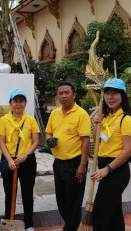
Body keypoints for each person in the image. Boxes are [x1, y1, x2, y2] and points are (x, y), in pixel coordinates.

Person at [91, 78, 131, 231]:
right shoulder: (106, 117)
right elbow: (96, 139)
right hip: (104, 166)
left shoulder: (127, 120)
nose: (110, 97)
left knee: (101, 212)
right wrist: (96, 123)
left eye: (115, 94)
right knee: (114, 213)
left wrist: (108, 169)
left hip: (116, 171)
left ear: (122, 96)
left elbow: (128, 151)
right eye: (107, 94)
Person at [45, 81, 91, 231]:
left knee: (74, 200)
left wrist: (82, 165)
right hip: (58, 163)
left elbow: (85, 140)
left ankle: (70, 228)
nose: (63, 96)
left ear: (74, 95)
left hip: (75, 163)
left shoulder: (81, 114)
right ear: (57, 96)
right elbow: (48, 131)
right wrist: (48, 139)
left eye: (67, 92)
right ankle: (70, 226)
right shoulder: (55, 113)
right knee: (61, 200)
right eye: (60, 93)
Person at [0, 89, 40, 231]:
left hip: (27, 160)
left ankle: (29, 224)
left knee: (27, 193)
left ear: (25, 103)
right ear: (10, 103)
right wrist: (9, 160)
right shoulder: (4, 120)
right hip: (9, 160)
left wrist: (26, 155)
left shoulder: (31, 120)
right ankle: (9, 223)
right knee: (10, 193)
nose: (19, 104)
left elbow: (35, 141)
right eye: (16, 101)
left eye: (21, 101)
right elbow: (1, 142)